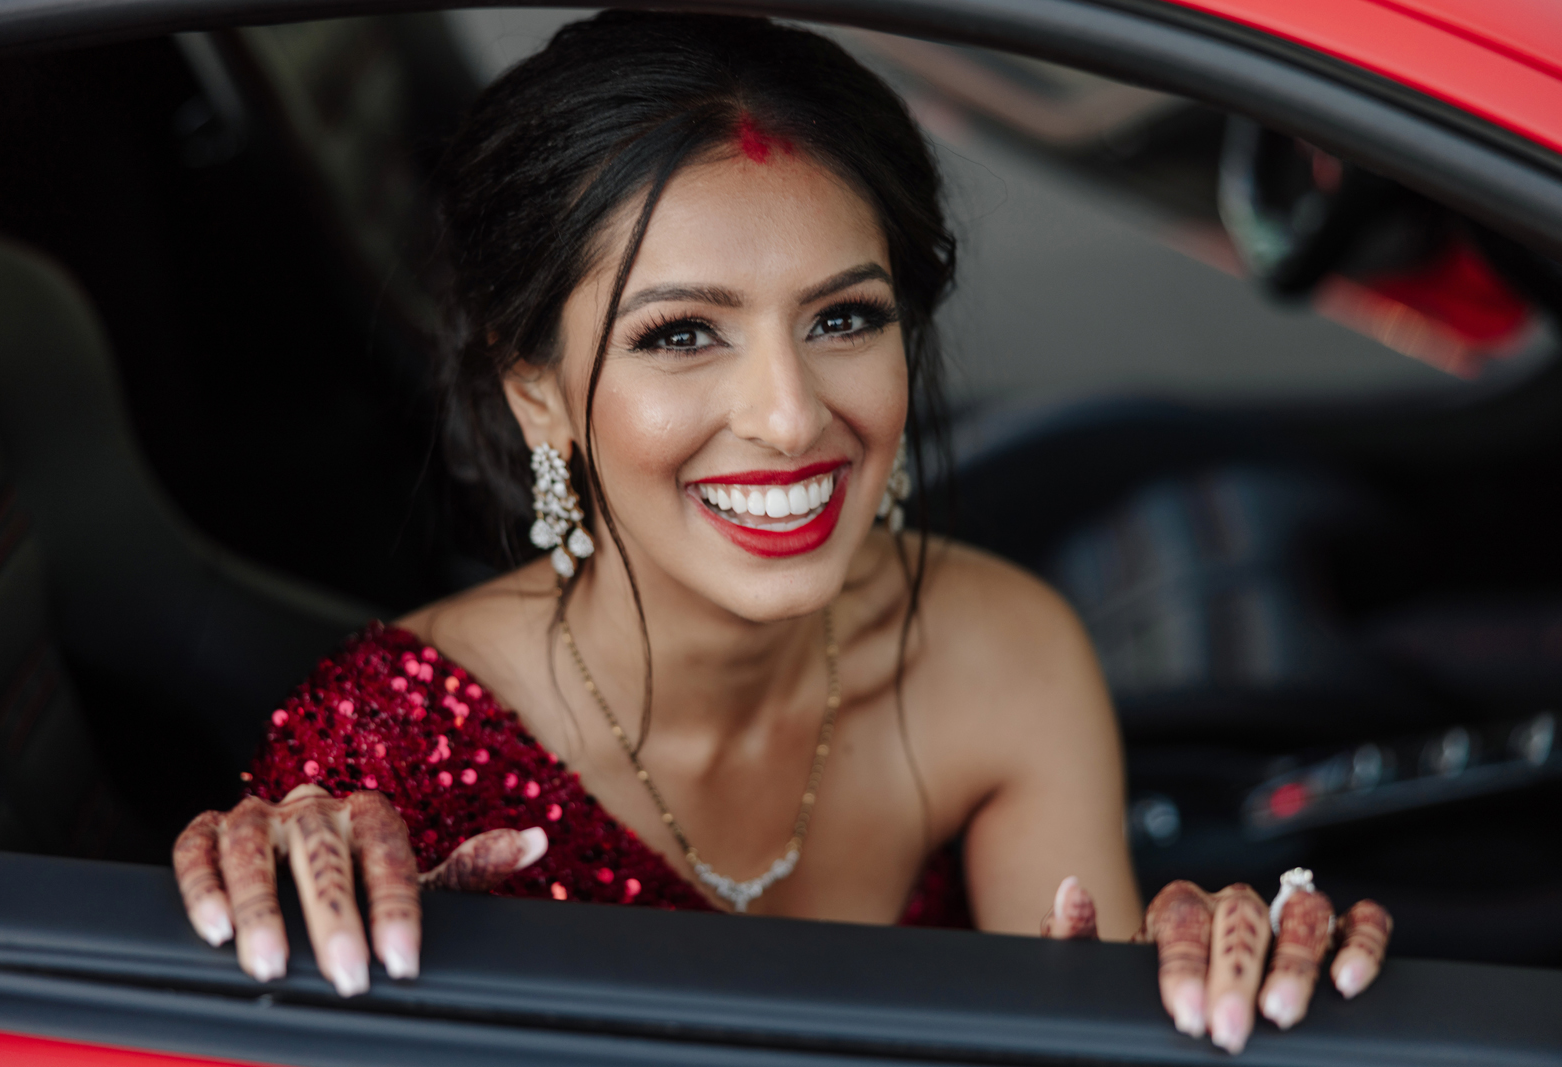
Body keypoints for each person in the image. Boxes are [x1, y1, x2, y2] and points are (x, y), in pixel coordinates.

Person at [169, 11, 1390, 1055]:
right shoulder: (382, 763)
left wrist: (1208, 993)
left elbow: (1091, 1020)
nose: (791, 414)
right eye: (681, 334)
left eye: (842, 318)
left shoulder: (998, 652)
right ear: (535, 390)